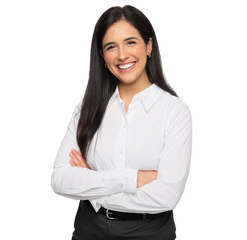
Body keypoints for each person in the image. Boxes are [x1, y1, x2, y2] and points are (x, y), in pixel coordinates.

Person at [51, 5, 192, 240]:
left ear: (148, 46)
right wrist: (131, 179)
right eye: (111, 47)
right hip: (89, 229)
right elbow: (60, 179)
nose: (122, 55)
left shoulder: (174, 112)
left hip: (148, 233)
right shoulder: (88, 107)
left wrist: (91, 185)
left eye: (130, 42)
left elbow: (167, 195)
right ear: (102, 56)